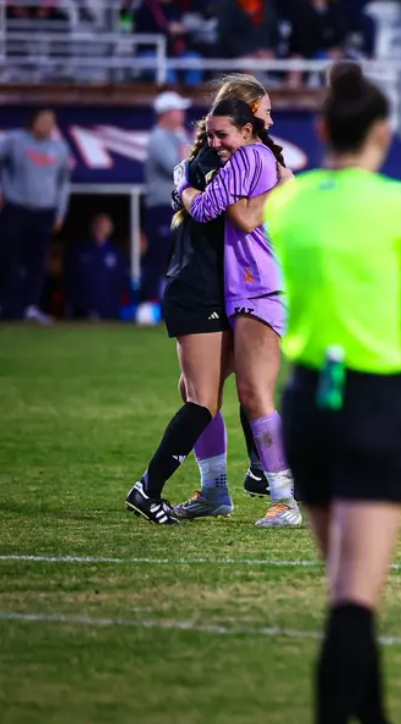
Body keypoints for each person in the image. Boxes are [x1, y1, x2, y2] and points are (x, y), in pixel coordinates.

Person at [265, 62, 401, 724]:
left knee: (348, 591)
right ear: (382, 131)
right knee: (354, 598)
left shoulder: (287, 200)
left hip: (308, 400)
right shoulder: (394, 200)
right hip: (377, 400)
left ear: (321, 129)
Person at [123, 76, 281, 525]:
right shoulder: (225, 160)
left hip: (221, 287)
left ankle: (229, 483)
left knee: (220, 390)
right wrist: (284, 188)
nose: (270, 119)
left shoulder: (224, 157)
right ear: (248, 119)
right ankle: (154, 488)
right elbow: (234, 215)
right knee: (207, 399)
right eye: (265, 111)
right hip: (200, 287)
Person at [179, 98, 300, 528]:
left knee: (254, 394)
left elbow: (218, 211)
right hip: (244, 289)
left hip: (260, 288)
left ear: (247, 130)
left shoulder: (249, 155)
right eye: (210, 135)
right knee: (197, 390)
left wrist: (184, 186)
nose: (215, 143)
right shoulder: (259, 157)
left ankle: (286, 498)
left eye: (221, 134)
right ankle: (214, 490)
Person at [0, 106, 72, 323]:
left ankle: (31, 307)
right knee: (6, 257)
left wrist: (60, 212)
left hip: (45, 211)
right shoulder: (14, 141)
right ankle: (7, 305)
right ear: (33, 121)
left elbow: (63, 183)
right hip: (16, 207)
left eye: (52, 121)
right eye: (45, 120)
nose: (49, 125)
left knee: (38, 261)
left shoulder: (60, 149)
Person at [139, 90, 192, 318]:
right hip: (162, 206)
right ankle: (145, 305)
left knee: (179, 257)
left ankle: (171, 304)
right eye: (178, 110)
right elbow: (177, 167)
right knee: (159, 256)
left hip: (180, 206)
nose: (182, 114)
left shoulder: (180, 137)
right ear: (166, 114)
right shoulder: (158, 137)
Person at [66, 214, 127, 320]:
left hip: (110, 311)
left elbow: (121, 280)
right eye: (98, 224)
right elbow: (70, 280)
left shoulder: (117, 253)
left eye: (104, 225)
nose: (100, 228)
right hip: (82, 311)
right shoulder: (79, 251)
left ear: (110, 228)